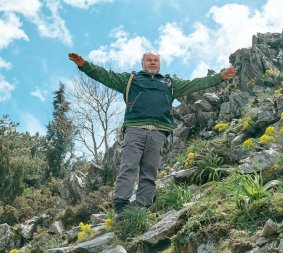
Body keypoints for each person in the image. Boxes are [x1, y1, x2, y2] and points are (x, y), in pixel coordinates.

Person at [68, 52, 237, 214]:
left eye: (155, 60)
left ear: (159, 64)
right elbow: (106, 75)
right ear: (143, 64)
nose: (152, 62)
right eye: (148, 60)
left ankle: (143, 208)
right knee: (128, 168)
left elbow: (195, 83)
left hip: (158, 133)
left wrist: (218, 77)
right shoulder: (131, 80)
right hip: (135, 129)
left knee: (150, 172)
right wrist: (85, 66)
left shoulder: (169, 84)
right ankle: (121, 207)